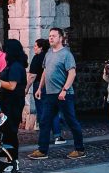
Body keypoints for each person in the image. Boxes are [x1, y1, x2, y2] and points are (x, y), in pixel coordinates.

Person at [30, 27, 85, 159]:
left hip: (64, 94)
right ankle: (42, 150)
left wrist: (64, 90)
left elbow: (72, 73)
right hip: (49, 94)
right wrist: (39, 88)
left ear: (61, 38)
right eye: (50, 36)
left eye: (54, 36)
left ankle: (80, 149)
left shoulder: (66, 54)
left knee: (71, 121)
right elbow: (44, 72)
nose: (51, 38)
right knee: (44, 121)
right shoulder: (48, 53)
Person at [0, 39, 29, 159]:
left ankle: (12, 159)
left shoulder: (15, 67)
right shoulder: (13, 65)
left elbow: (12, 86)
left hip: (12, 104)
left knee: (11, 132)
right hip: (8, 103)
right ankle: (8, 156)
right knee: (7, 131)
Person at [26, 39, 49, 132]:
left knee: (40, 108)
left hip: (39, 84)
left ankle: (43, 129)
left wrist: (27, 87)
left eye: (36, 46)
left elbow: (32, 75)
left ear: (41, 47)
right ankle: (57, 133)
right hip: (50, 85)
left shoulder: (37, 57)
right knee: (51, 108)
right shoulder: (49, 56)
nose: (34, 48)